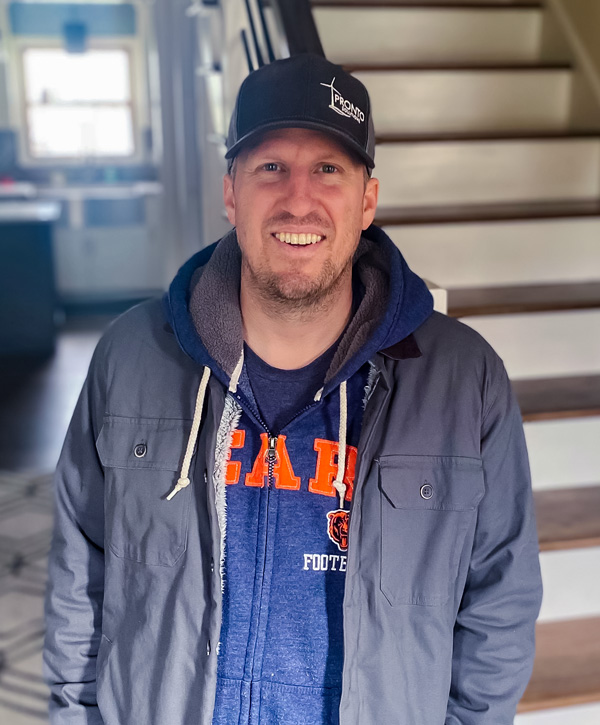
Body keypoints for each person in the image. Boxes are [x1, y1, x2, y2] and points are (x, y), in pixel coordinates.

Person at [44, 54, 543, 725]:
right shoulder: (132, 355)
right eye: (270, 166)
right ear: (231, 192)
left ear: (368, 199)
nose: (298, 198)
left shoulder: (464, 381)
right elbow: (81, 574)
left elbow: (499, 606)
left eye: (328, 169)